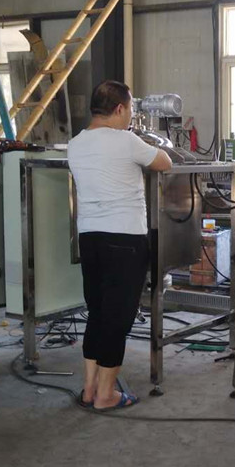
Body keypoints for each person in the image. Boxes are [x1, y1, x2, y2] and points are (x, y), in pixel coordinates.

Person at [68, 80, 172, 411]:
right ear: (119, 109)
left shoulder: (75, 143)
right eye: (129, 110)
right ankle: (106, 395)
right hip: (125, 241)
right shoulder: (126, 141)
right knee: (118, 319)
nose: (129, 117)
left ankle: (89, 389)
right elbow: (165, 162)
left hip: (90, 239)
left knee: (98, 313)